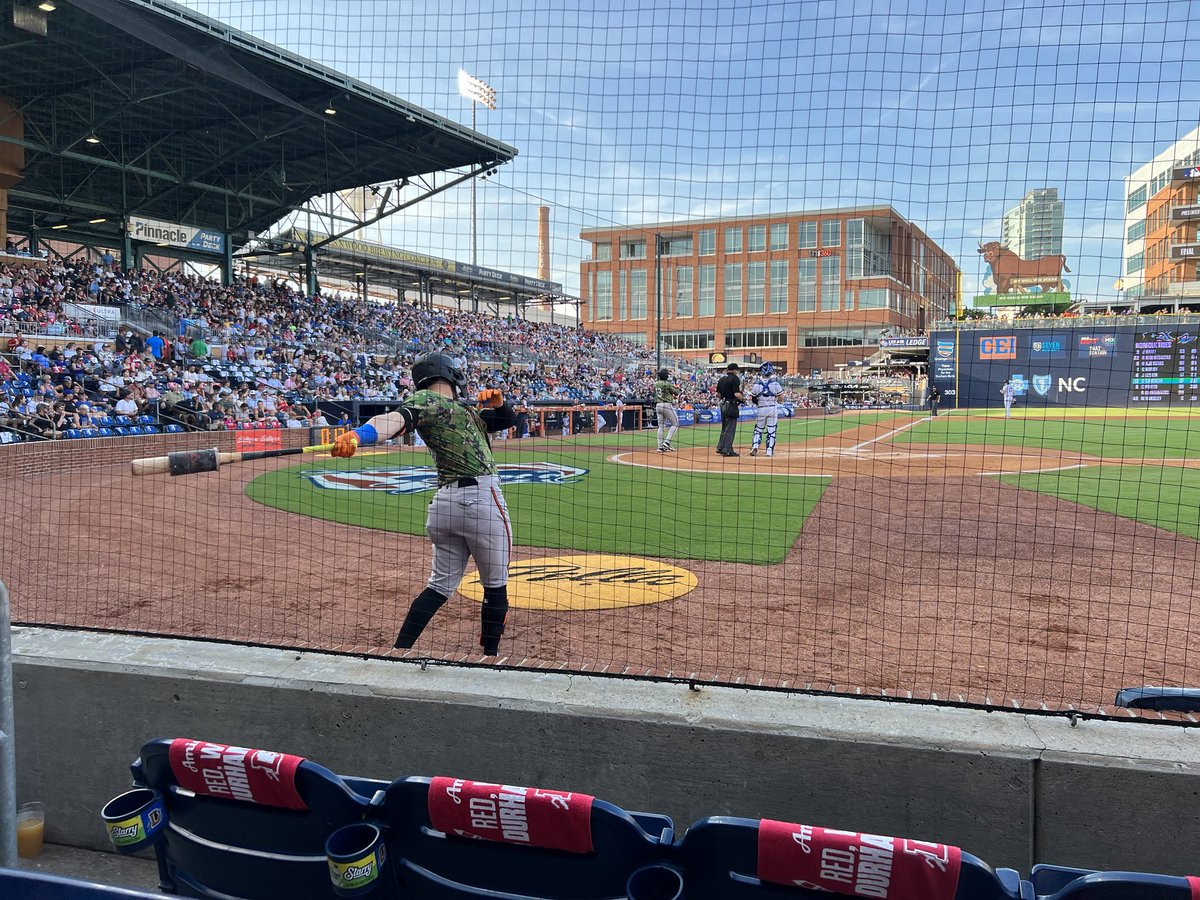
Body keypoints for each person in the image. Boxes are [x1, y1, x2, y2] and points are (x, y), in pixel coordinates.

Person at [331, 352, 517, 656]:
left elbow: (506, 420)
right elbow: (391, 421)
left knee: (439, 587)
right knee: (496, 586)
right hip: (481, 499)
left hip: (444, 506)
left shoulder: (461, 412)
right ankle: (490, 658)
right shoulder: (428, 400)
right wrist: (357, 434)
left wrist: (499, 404)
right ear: (452, 375)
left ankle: (399, 650)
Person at [748, 362, 784, 457]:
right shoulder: (775, 384)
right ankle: (769, 450)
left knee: (758, 429)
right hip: (772, 408)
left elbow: (753, 399)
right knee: (771, 430)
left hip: (761, 408)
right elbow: (781, 398)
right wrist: (777, 400)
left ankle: (755, 446)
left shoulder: (756, 385)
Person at [715, 362, 744, 457]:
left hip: (722, 404)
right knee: (730, 428)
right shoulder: (735, 379)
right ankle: (728, 450)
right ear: (735, 370)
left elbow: (718, 395)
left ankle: (720, 447)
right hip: (731, 405)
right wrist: (742, 398)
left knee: (724, 427)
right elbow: (736, 394)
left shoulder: (722, 379)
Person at [653, 367, 680, 453]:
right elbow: (676, 393)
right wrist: (677, 387)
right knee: (675, 423)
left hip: (658, 405)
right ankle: (667, 442)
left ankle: (660, 446)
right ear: (666, 376)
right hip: (666, 404)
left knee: (661, 426)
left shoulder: (656, 383)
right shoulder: (667, 384)